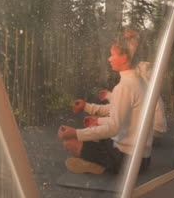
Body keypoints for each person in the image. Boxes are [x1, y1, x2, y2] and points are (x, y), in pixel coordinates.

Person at [58, 30, 166, 175]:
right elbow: (120, 112)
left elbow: (114, 127)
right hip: (142, 158)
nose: (109, 59)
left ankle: (102, 167)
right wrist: (90, 111)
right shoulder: (138, 81)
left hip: (129, 161)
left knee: (69, 142)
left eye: (113, 55)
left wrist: (76, 133)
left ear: (124, 57)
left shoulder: (125, 87)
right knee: (93, 136)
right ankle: (97, 163)